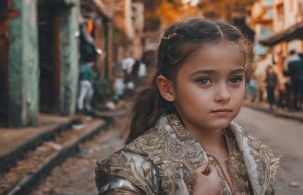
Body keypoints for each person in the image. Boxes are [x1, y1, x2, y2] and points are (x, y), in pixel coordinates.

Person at [95, 18, 279, 194]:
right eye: (204, 80)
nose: (224, 95)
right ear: (168, 89)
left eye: (235, 79)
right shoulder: (135, 169)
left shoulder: (256, 156)